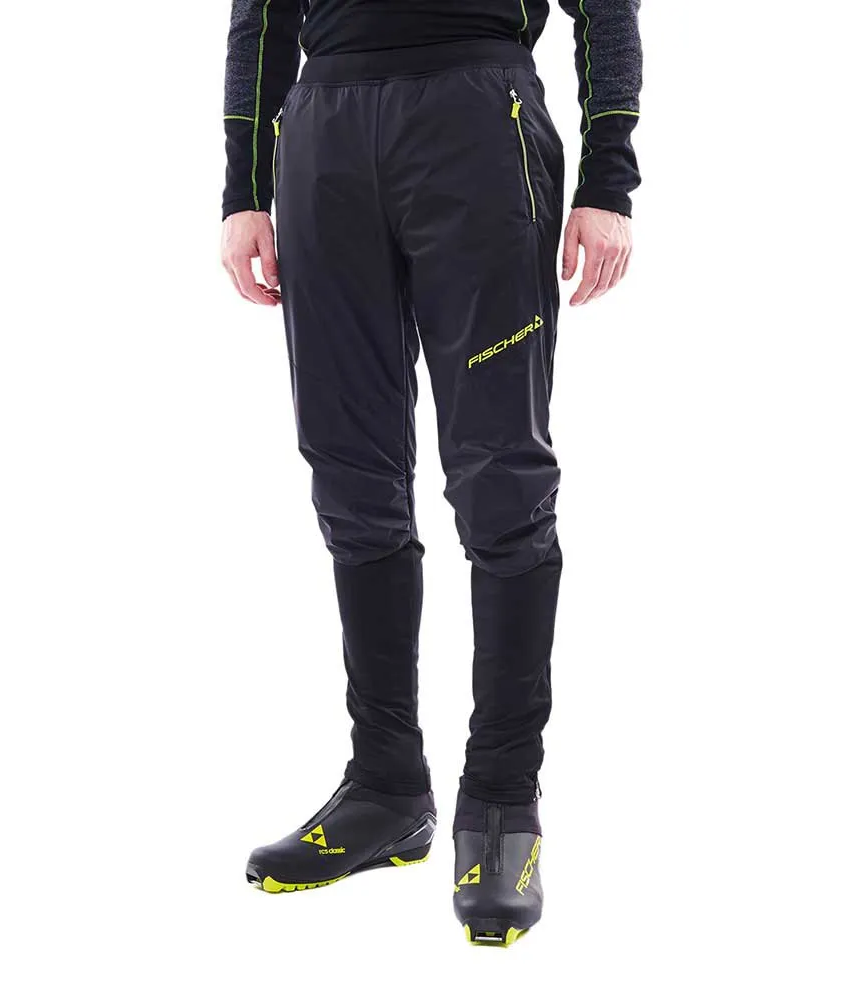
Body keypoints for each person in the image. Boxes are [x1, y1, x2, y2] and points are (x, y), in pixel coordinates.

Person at [220, 0, 642, 946]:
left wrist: (609, 180)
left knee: (501, 479)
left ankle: (501, 801)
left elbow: (607, 10)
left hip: (478, 121)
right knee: (350, 473)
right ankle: (385, 788)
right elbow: (260, 15)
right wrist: (242, 191)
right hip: (324, 132)